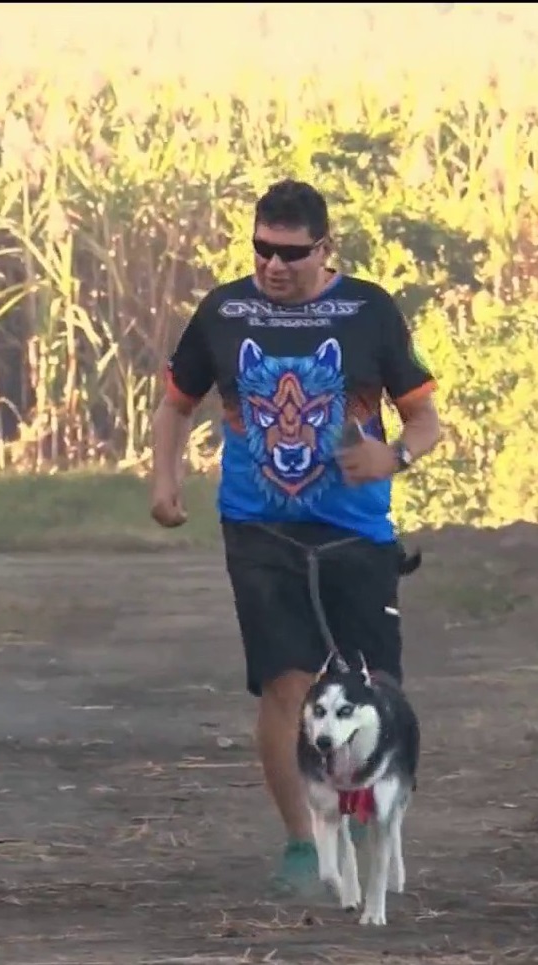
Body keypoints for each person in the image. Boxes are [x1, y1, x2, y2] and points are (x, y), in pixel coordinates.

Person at [148, 178, 443, 897]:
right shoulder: (223, 309)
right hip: (257, 525)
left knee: (375, 686)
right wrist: (164, 478)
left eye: (289, 253)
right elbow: (174, 401)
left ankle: (371, 816)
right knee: (286, 685)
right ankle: (303, 844)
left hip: (355, 527)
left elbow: (425, 420)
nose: (272, 266)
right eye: (260, 250)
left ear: (324, 247)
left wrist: (392, 455)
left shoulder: (368, 309)